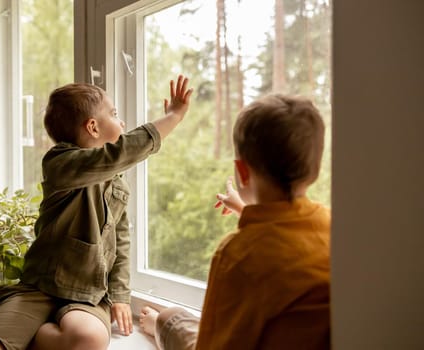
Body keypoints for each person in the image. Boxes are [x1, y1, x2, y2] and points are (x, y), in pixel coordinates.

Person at [0, 75, 193, 350]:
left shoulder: (117, 184)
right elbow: (117, 154)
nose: (122, 122)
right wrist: (173, 117)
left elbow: (120, 242)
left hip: (87, 296)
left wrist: (121, 296)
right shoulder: (59, 163)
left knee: (89, 338)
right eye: (114, 114)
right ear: (92, 127)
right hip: (38, 289)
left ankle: (22, 337)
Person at [139, 94, 331, 350]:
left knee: (168, 317)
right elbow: (286, 234)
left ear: (242, 172)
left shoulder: (237, 255)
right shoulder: (331, 225)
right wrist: (245, 210)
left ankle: (158, 325)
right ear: (315, 168)